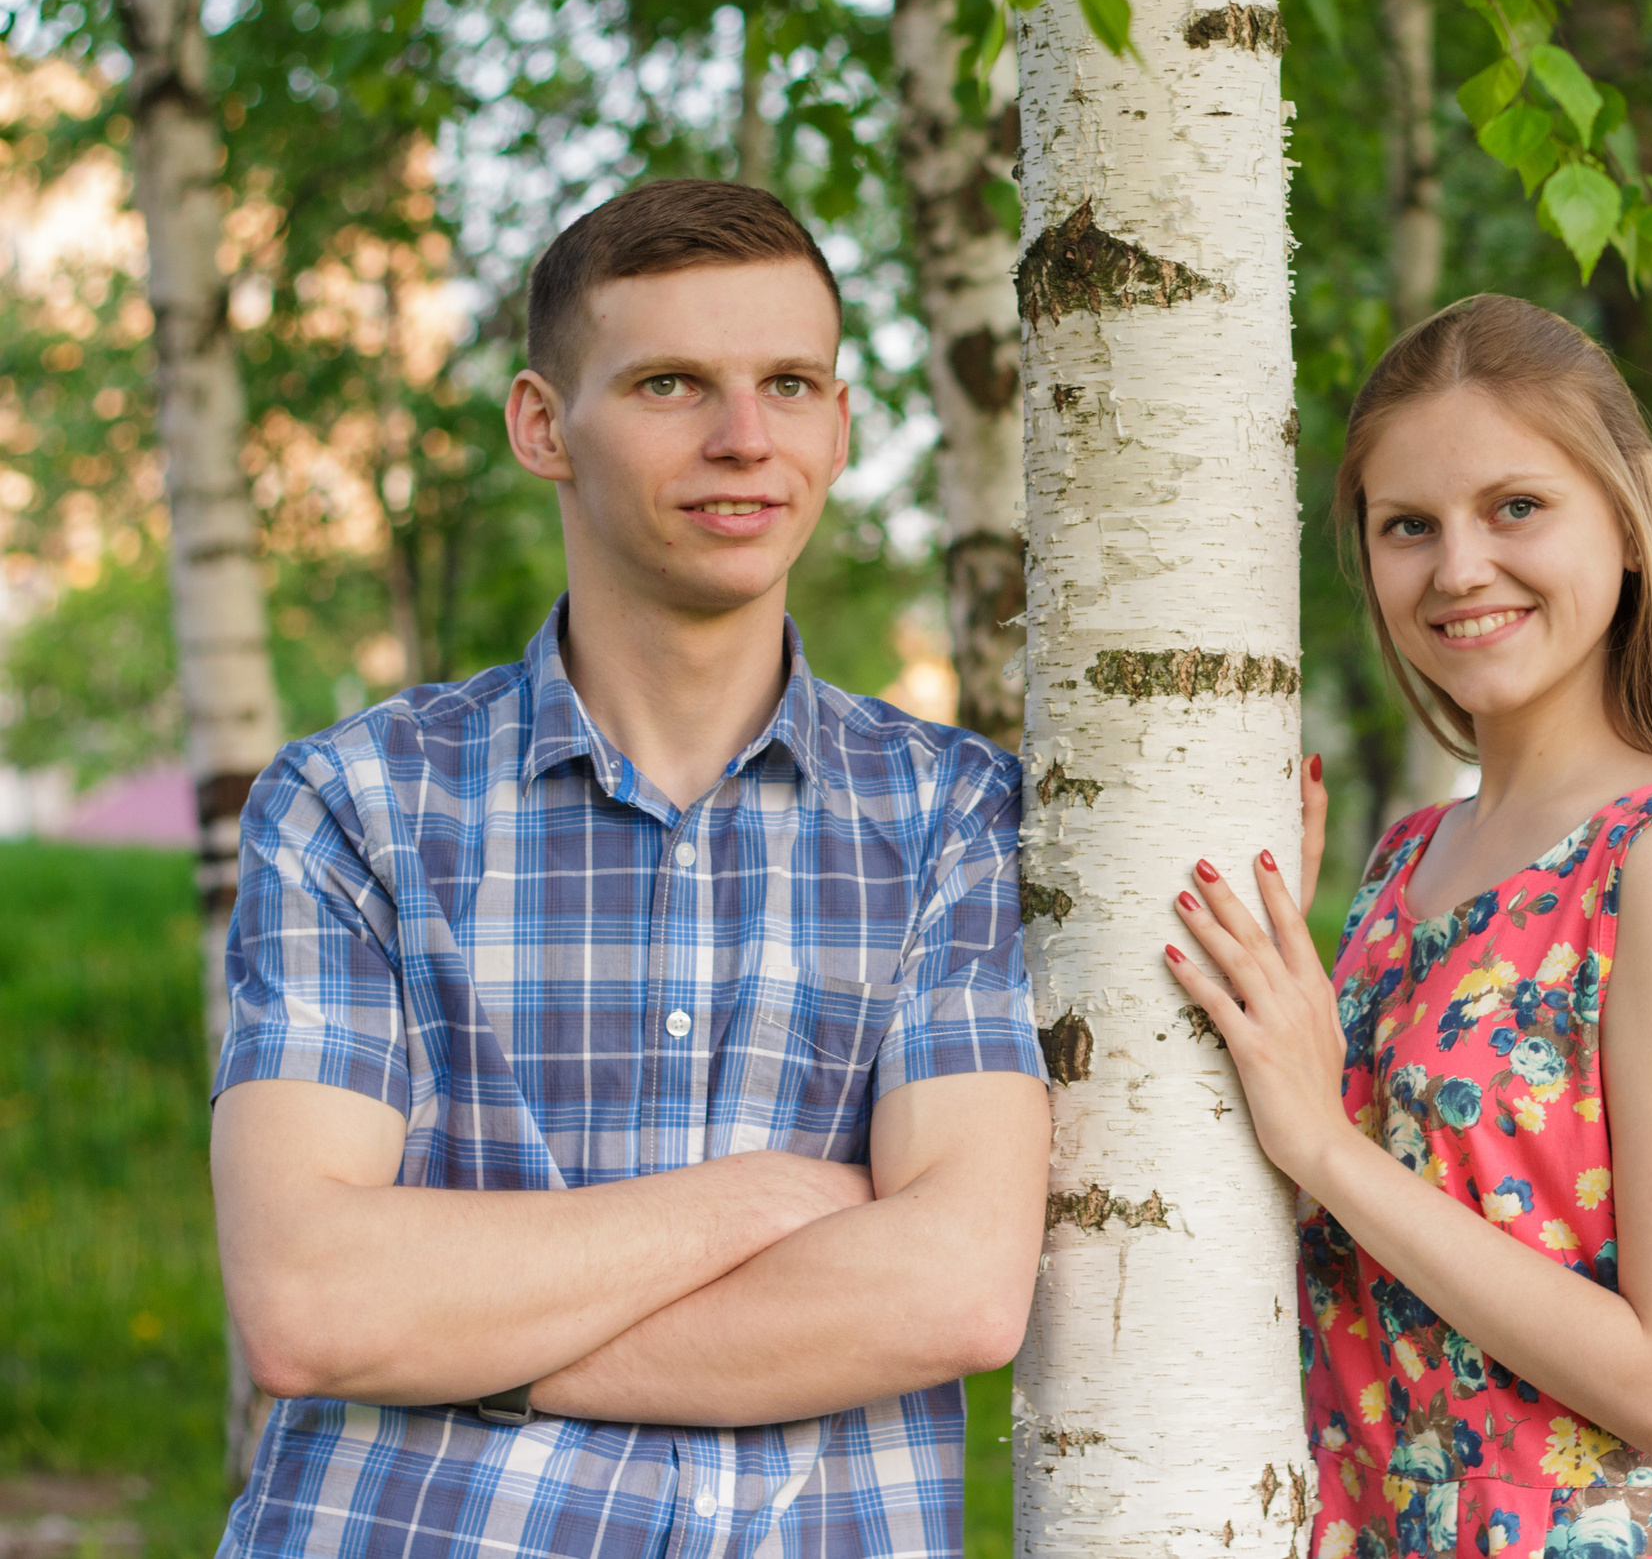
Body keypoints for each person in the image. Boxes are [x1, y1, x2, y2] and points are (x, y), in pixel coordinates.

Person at [207, 179, 1050, 1559]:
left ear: (840, 426)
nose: (742, 439)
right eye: (670, 383)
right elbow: (312, 1302)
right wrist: (760, 1200)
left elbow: (955, 1292)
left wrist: (466, 1336)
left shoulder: (955, 814)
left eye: (788, 383)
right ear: (545, 426)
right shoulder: (355, 801)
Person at [1164, 295, 1652, 1558]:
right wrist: (1281, 971)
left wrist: (1327, 1146)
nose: (1459, 566)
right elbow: (1355, 1264)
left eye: (1515, 507)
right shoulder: (1411, 858)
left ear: (1625, 530)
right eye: (1410, 526)